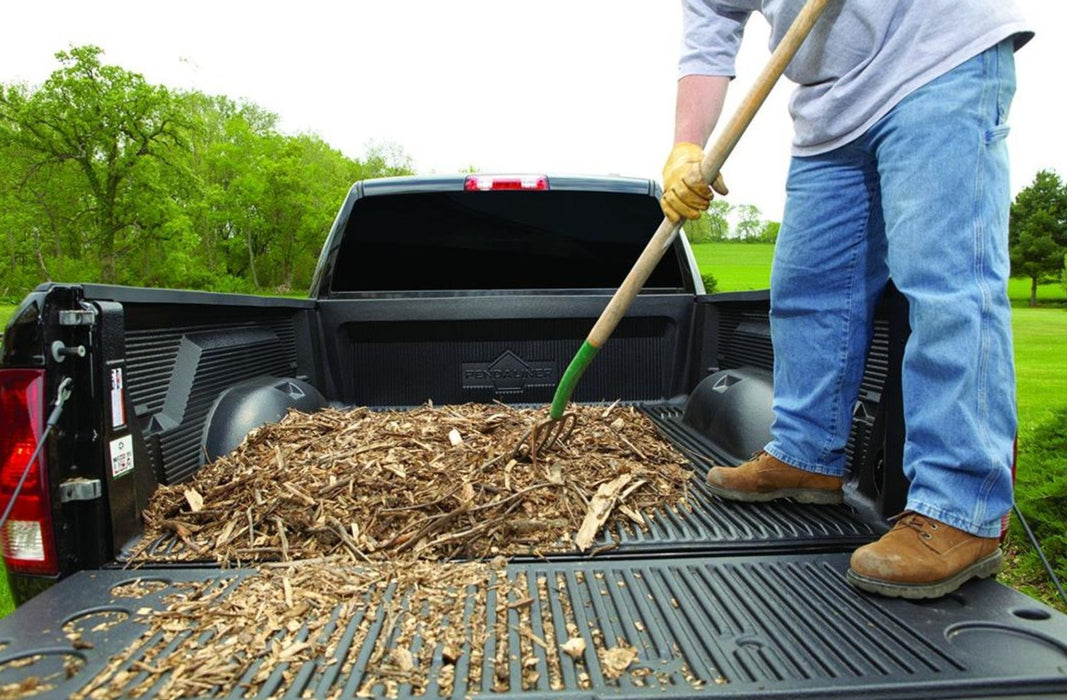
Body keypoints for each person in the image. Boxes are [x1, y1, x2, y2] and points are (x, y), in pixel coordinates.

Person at [662, 0, 1032, 599]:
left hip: (934, 58)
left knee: (945, 290)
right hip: (829, 106)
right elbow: (710, 31)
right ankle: (807, 452)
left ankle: (962, 510)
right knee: (807, 292)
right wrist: (686, 147)